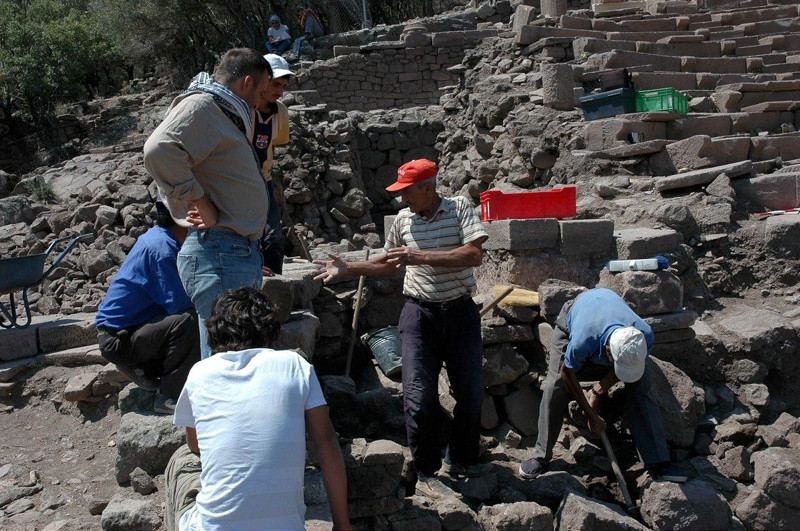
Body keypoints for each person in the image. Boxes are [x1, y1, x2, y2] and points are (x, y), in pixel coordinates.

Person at [314, 159, 489, 498]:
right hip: (419, 315)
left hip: (460, 313)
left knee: (469, 391)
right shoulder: (403, 221)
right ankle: (426, 469)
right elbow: (388, 261)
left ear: (428, 188)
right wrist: (347, 267)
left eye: (407, 192)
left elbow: (473, 255)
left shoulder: (460, 208)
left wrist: (420, 257)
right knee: (418, 395)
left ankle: (464, 458)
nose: (402, 200)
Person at [165, 287, 351, 531]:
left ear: (215, 331)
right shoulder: (295, 364)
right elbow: (326, 443)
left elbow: (195, 445)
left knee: (179, 463)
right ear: (271, 330)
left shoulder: (200, 372)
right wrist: (342, 525)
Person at [143, 48, 273, 360]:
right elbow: (158, 150)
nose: (260, 102)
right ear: (246, 83)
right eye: (261, 91)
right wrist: (201, 202)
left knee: (232, 359)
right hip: (220, 252)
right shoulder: (204, 105)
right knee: (229, 362)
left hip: (229, 251)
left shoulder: (222, 112)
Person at [518, 288, 688, 483]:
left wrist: (598, 391)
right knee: (554, 386)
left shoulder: (643, 336)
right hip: (573, 316)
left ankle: (657, 460)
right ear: (608, 351)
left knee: (643, 389)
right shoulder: (584, 339)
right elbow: (568, 373)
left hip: (608, 307)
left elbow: (629, 364)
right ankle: (541, 455)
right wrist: (591, 415)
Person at [95, 202, 200, 414]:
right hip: (119, 339)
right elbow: (181, 304)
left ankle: (143, 368)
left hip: (128, 331)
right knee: (189, 321)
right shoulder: (162, 249)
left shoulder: (160, 237)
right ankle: (170, 396)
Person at [253, 54, 293, 275]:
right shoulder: (244, 109)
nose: (280, 91)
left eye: (283, 86)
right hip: (240, 182)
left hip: (263, 180)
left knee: (273, 238)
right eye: (275, 84)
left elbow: (273, 145)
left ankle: (276, 289)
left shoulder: (281, 112)